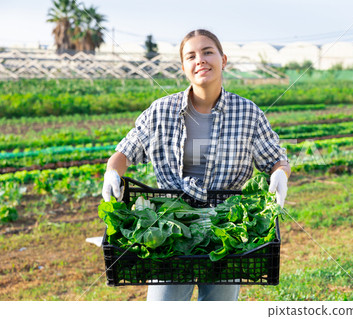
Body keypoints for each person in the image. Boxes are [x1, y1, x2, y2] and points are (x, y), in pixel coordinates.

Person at [102, 29, 291, 301]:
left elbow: (276, 159)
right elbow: (125, 151)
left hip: (228, 229)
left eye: (207, 52)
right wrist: (112, 172)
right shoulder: (160, 111)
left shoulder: (248, 113)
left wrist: (280, 175)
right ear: (184, 68)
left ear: (223, 60)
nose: (200, 60)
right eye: (191, 56)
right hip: (170, 229)